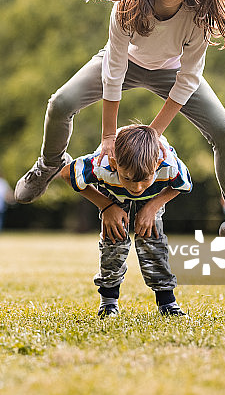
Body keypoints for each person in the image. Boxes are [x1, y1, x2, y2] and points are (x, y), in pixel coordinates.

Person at [15, 0, 225, 253]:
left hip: (171, 72)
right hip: (125, 63)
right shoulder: (127, 7)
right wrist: (108, 137)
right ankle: (49, 164)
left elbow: (187, 79)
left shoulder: (198, 16)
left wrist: (154, 134)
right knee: (61, 103)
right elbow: (113, 72)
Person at [61, 124, 191, 317]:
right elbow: (67, 174)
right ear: (114, 164)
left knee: (152, 240)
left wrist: (152, 207)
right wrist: (106, 206)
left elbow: (184, 184)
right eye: (129, 178)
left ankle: (167, 302)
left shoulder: (168, 164)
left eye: (143, 179)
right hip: (113, 190)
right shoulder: (101, 164)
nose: (137, 188)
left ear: (157, 164)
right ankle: (108, 302)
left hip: (153, 195)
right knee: (114, 239)